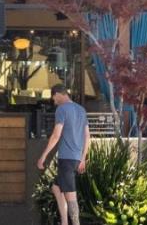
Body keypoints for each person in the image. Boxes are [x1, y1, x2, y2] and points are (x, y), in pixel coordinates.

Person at [36, 85, 89, 225]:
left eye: (54, 98)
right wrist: (83, 159)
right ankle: (65, 222)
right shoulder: (81, 110)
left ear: (58, 94)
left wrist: (43, 156)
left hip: (66, 159)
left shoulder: (62, 109)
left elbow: (56, 135)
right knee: (56, 187)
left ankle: (75, 223)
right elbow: (87, 137)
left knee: (71, 196)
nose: (54, 102)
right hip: (77, 158)